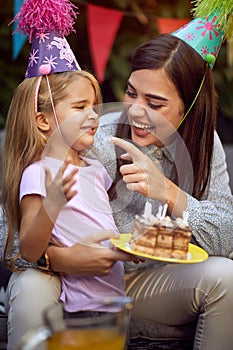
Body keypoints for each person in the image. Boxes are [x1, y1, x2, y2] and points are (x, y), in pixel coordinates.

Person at [3, 6, 233, 350]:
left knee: (226, 277)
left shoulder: (205, 146)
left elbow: (227, 238)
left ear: (189, 109)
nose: (136, 111)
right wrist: (60, 259)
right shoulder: (92, 135)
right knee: (32, 282)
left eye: (155, 103)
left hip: (147, 287)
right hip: (75, 285)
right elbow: (8, 235)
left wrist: (168, 191)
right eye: (131, 93)